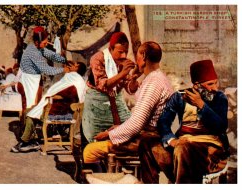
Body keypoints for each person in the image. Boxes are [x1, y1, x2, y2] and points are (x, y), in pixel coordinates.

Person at [83, 41, 174, 173]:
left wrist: (110, 134)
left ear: (143, 56)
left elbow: (137, 122)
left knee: (90, 150)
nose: (134, 59)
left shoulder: (154, 82)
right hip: (147, 134)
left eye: (137, 55)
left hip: (146, 139)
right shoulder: (157, 78)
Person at [139, 59, 230, 184]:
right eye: (210, 84)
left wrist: (201, 105)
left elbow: (221, 127)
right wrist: (171, 140)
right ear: (197, 85)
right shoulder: (180, 96)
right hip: (182, 146)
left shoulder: (220, 98)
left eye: (216, 83)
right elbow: (163, 122)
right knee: (146, 143)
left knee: (183, 147)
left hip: (208, 149)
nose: (215, 88)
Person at [11, 61, 87, 153]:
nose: (72, 66)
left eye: (75, 65)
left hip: (62, 111)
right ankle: (31, 140)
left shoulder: (76, 79)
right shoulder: (71, 77)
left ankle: (25, 141)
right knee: (28, 111)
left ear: (78, 69)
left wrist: (53, 96)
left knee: (31, 115)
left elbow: (72, 95)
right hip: (57, 106)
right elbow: (60, 89)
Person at [82, 32, 139, 143]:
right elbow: (103, 85)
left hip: (116, 102)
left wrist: (133, 80)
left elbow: (129, 88)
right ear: (111, 49)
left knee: (127, 132)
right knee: (96, 139)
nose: (123, 55)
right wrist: (123, 73)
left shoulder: (123, 62)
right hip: (98, 104)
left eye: (126, 52)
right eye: (120, 52)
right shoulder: (97, 59)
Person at [19, 26, 68, 110]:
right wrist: (63, 69)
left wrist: (64, 60)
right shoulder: (33, 52)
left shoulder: (38, 47)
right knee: (31, 105)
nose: (46, 44)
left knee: (35, 104)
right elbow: (47, 69)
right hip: (29, 80)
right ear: (37, 42)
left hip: (35, 78)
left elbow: (51, 54)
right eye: (44, 43)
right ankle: (29, 121)